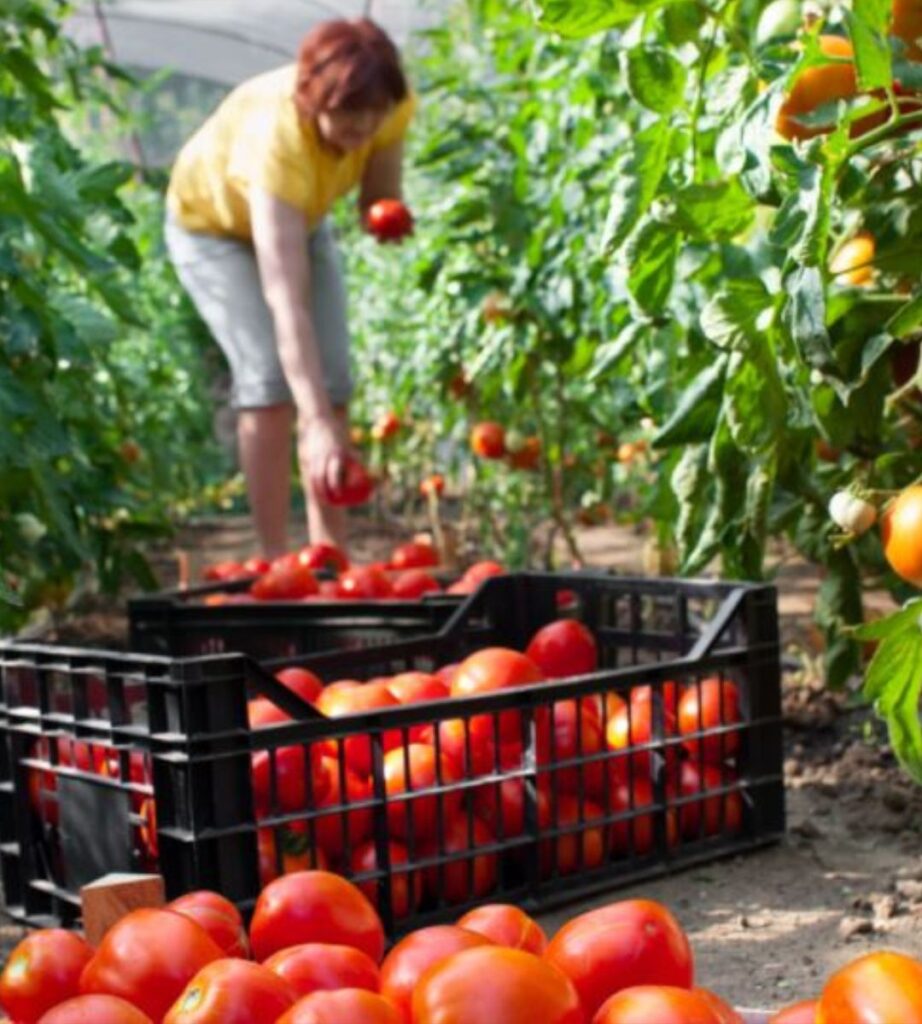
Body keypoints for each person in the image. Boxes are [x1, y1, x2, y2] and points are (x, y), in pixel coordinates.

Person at [165, 18, 414, 558]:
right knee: (268, 384)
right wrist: (316, 422)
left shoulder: (388, 108)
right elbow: (286, 301)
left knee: (334, 381)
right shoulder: (276, 138)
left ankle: (330, 558)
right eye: (349, 112)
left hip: (301, 217)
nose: (364, 125)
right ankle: (276, 564)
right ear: (313, 99)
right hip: (211, 229)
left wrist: (385, 216)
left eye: (374, 112)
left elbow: (379, 189)